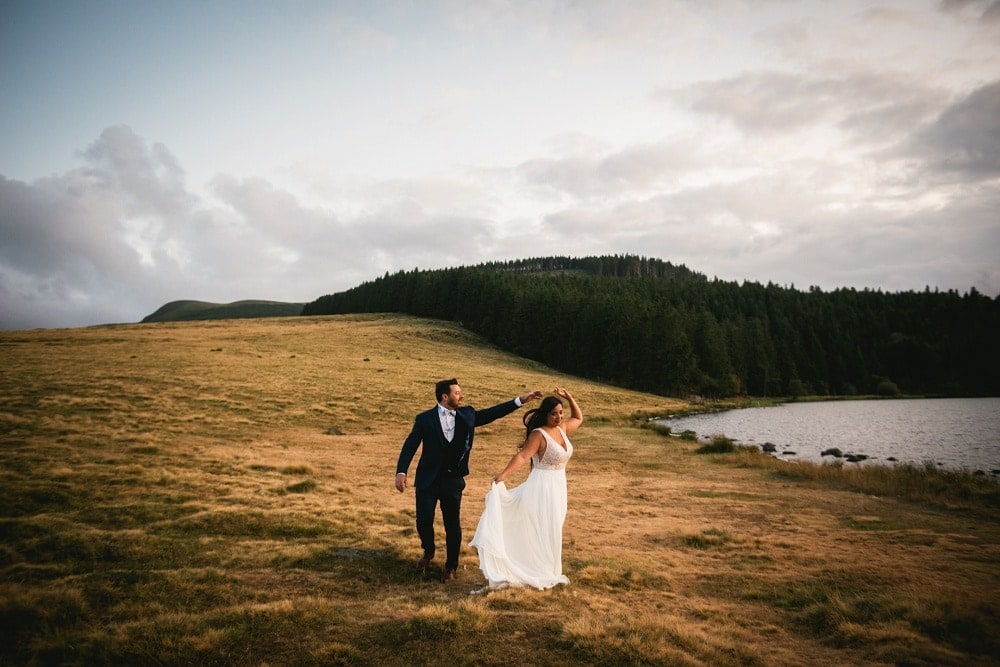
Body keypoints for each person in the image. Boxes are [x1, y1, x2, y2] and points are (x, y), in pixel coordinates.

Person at [395, 378, 542, 583]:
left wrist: (520, 400)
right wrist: (401, 472)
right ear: (445, 396)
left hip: (453, 481)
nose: (461, 396)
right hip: (427, 480)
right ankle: (428, 551)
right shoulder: (424, 419)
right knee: (423, 521)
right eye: (457, 393)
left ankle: (451, 566)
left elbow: (492, 413)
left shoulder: (468, 414)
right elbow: (410, 446)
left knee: (452, 524)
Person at [469, 387, 583, 590]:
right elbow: (522, 456)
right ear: (545, 415)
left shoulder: (562, 429)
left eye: (560, 412)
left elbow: (578, 418)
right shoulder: (539, 435)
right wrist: (503, 476)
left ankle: (550, 570)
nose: (558, 417)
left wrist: (570, 398)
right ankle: (536, 569)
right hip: (541, 486)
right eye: (554, 413)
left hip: (559, 486)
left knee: (555, 526)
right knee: (543, 526)